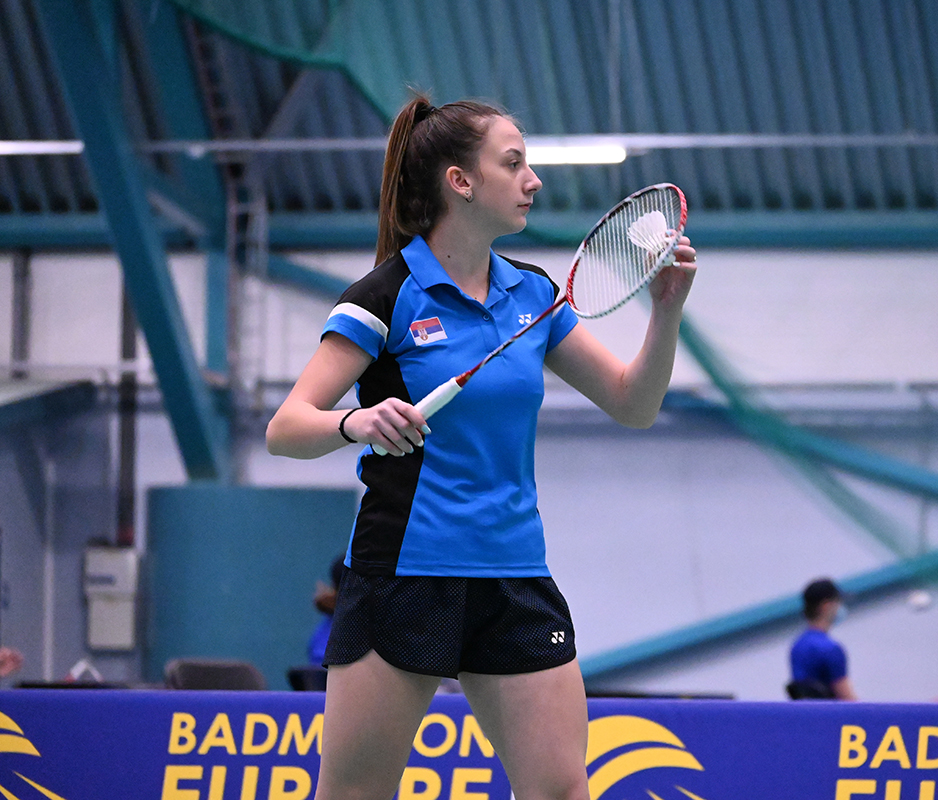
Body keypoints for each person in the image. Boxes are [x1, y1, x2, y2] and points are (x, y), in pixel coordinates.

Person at [265, 94, 696, 800]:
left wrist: (666, 312)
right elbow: (286, 427)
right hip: (405, 573)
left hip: (514, 575)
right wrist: (356, 422)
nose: (533, 180)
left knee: (561, 792)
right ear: (461, 182)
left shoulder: (535, 296)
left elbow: (633, 403)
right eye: (514, 163)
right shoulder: (387, 296)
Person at [787, 578, 857, 700]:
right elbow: (846, 698)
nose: (839, 608)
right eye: (837, 602)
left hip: (807, 712)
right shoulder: (831, 649)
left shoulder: (797, 646)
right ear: (826, 606)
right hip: (830, 712)